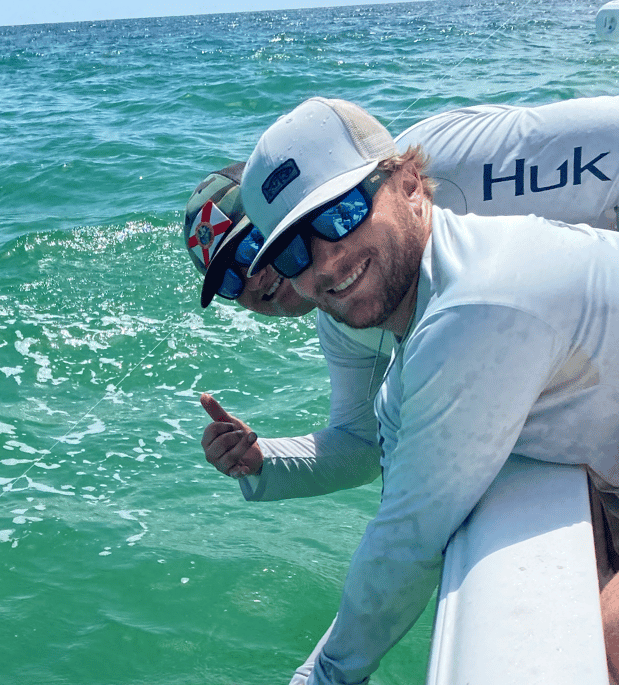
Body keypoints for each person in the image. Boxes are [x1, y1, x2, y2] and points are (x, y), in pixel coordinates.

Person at [226, 96, 619, 685]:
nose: (326, 260)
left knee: (592, 665)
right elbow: (390, 486)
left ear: (409, 181)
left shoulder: (474, 305)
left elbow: (409, 536)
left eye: (343, 213)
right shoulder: (423, 316)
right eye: (293, 249)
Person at [183, 97, 619, 501]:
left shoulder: (440, 162)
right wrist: (263, 460)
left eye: (250, 249)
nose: (253, 279)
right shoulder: (344, 318)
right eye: (228, 282)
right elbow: (362, 444)